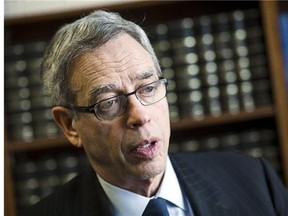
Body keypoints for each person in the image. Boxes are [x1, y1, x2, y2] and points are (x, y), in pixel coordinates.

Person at [19, 10, 288, 216]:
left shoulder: (253, 180)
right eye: (109, 102)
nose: (140, 116)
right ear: (70, 126)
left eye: (148, 88)